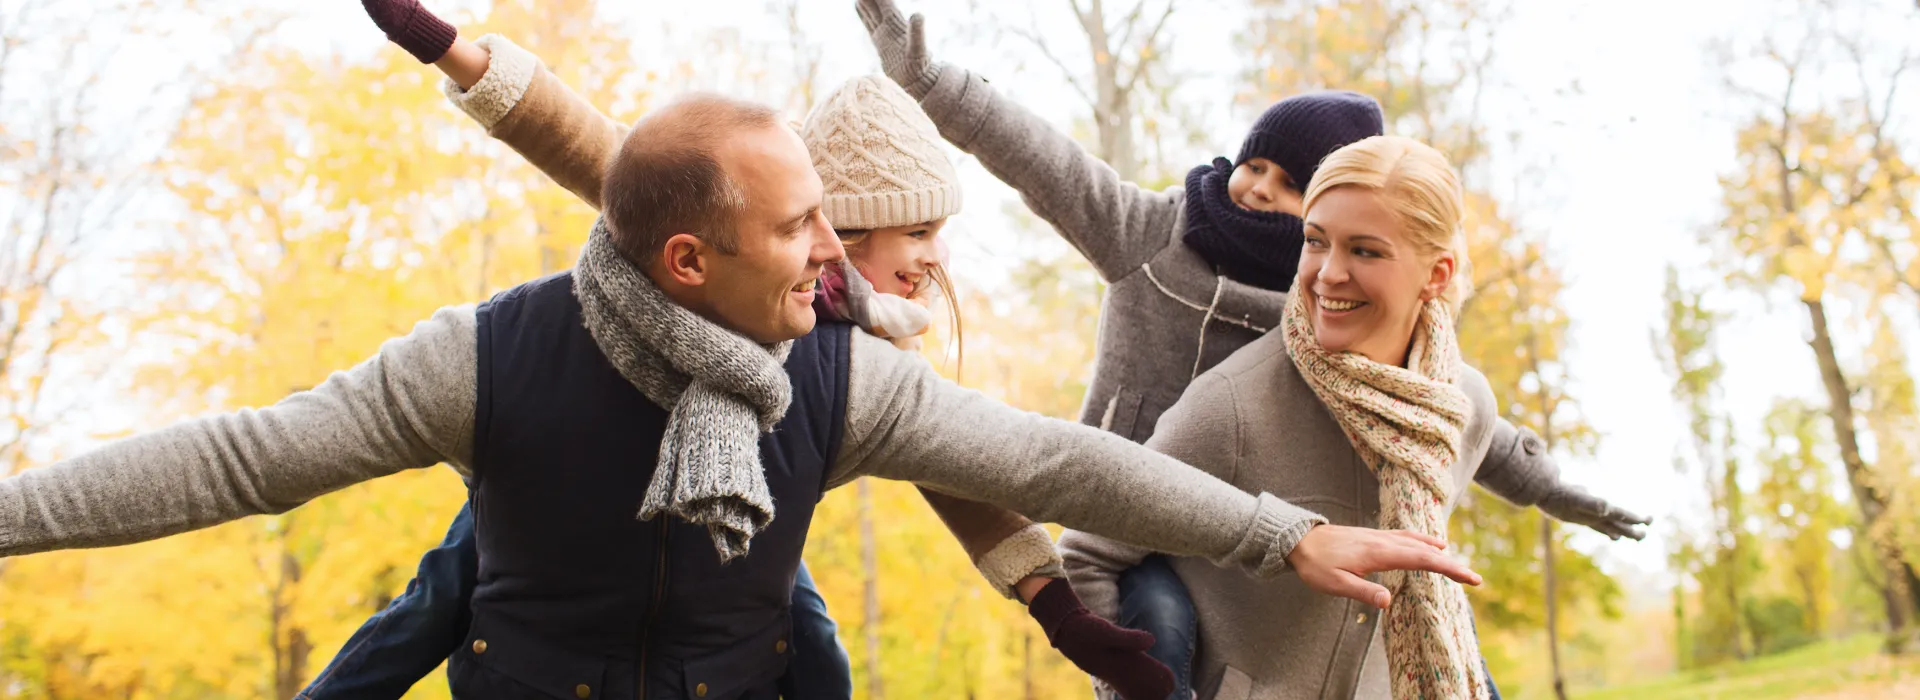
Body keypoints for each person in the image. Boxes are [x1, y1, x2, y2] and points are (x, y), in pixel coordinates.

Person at [0, 76, 1488, 700]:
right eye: (803, 229)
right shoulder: (484, 358)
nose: (837, 255)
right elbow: (238, 459)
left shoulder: (843, 380)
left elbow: (1064, 465)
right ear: (690, 259)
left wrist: (1287, 536)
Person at [852, 1, 1653, 697]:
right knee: (1160, 619)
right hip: (1133, 521)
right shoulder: (1155, 238)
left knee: (1443, 615)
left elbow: (1451, 412)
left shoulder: (1330, 310)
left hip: (1259, 535)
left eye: (1288, 182)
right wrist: (929, 83)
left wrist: (1558, 491)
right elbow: (1042, 161)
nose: (1258, 187)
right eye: (1254, 164)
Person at [306, 9, 1119, 693]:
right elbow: (574, 135)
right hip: (565, 478)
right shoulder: (727, 232)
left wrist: (1057, 607)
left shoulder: (874, 341)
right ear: (847, 227)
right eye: (917, 232)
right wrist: (438, 42)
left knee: (813, 645)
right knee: (444, 591)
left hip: (737, 499)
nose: (934, 257)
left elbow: (962, 478)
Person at [1063, 135, 1519, 699]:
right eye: (1315, 241)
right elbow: (1087, 554)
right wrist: (1137, 687)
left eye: (1365, 251)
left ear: (1437, 274)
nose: (1328, 274)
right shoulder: (1233, 403)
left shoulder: (1463, 407)